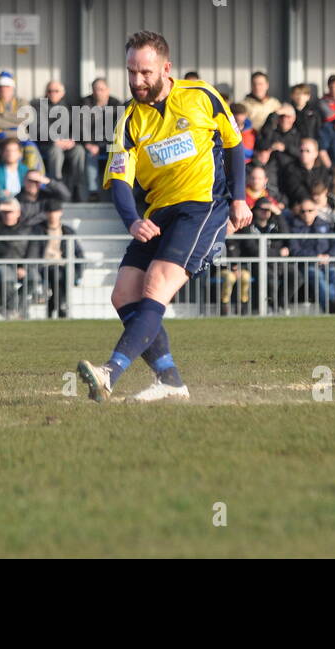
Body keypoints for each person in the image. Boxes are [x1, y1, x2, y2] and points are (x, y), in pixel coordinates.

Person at [76, 31, 249, 403]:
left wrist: (239, 199)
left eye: (145, 72)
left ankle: (110, 372)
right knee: (123, 294)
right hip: (159, 212)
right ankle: (170, 380)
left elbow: (234, 144)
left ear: (166, 69)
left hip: (204, 206)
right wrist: (132, 220)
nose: (137, 80)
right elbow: (119, 179)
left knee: (156, 282)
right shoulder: (129, 120)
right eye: (131, 72)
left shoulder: (200, 95)